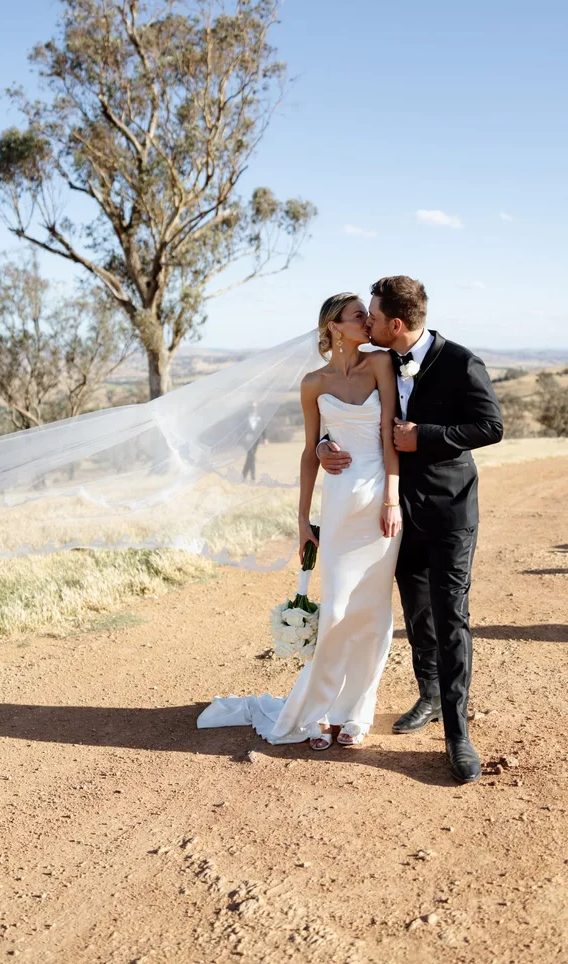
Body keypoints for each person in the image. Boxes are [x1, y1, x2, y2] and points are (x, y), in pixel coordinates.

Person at [317, 276, 503, 783]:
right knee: (416, 612)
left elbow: (491, 427)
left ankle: (457, 734)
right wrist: (321, 448)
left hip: (449, 513)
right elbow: (347, 420)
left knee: (450, 616)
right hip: (393, 515)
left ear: (395, 324)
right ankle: (428, 695)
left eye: (373, 317)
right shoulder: (377, 362)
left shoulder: (462, 362)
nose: (368, 323)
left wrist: (425, 436)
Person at [197, 293, 403, 747]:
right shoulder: (313, 382)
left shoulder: (382, 365)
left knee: (372, 611)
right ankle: (320, 710)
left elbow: (390, 435)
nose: (368, 322)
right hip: (338, 503)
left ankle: (356, 714)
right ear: (333, 326)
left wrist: (392, 498)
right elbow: (310, 452)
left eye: (368, 316)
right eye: (358, 316)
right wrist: (302, 519)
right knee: (335, 609)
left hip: (379, 505)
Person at [242, 401, 264, 482]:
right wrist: (244, 437)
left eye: (255, 407)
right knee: (251, 456)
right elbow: (241, 429)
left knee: (250, 457)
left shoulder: (260, 417)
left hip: (256, 440)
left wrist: (265, 438)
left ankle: (244, 475)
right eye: (252, 407)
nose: (254, 408)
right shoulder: (245, 417)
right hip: (247, 441)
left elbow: (263, 428)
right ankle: (252, 477)